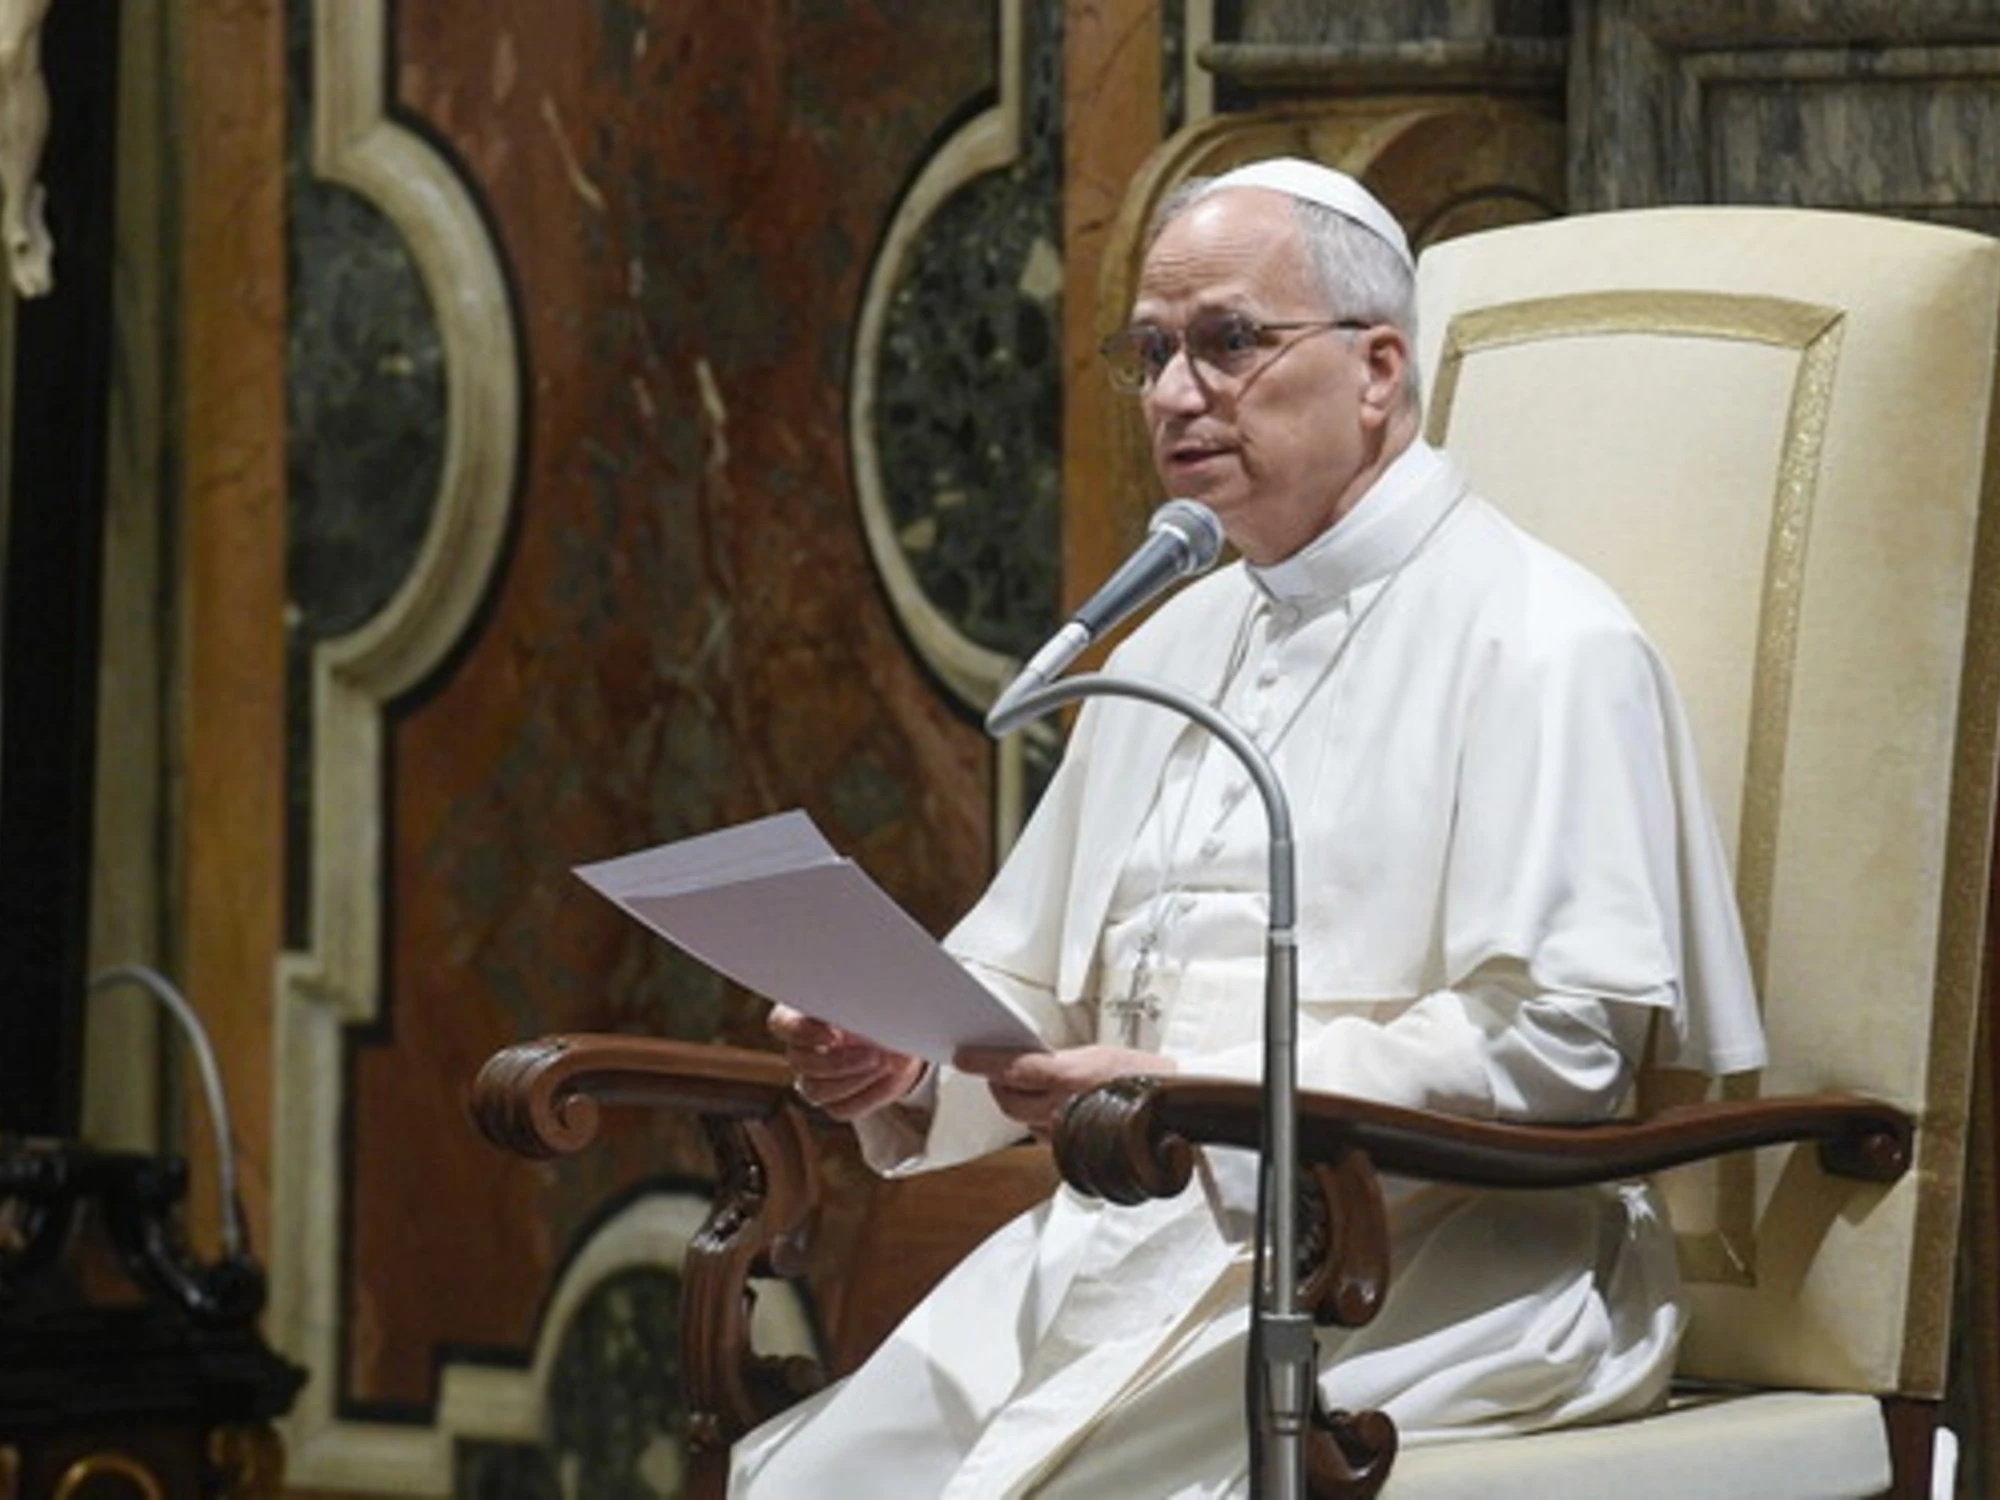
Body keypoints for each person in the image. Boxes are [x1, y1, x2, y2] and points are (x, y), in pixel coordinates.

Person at [735, 157, 1767, 1498]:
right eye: (1151, 352)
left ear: (1378, 369)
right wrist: (911, 1055)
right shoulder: (1172, 643)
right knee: (804, 1483)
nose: (1173, 395)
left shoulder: (1546, 641)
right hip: (1130, 1241)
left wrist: (1195, 1097)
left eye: (1227, 342)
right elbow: (1044, 977)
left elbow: (1557, 1043)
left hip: (1431, 1265)